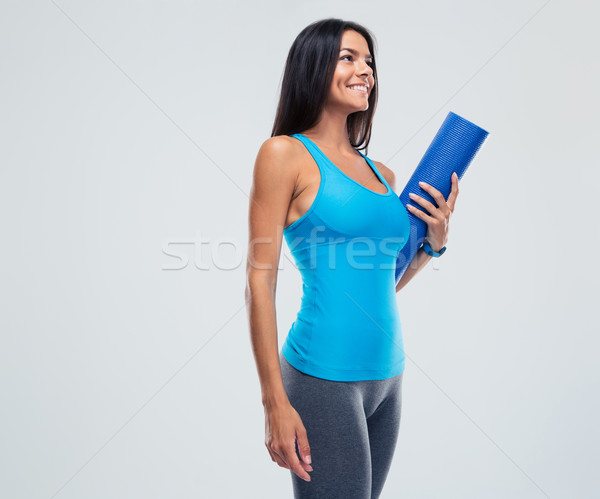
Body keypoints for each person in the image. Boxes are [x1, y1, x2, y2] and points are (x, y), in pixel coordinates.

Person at [245, 18, 459, 498]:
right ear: (314, 67)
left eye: (369, 61)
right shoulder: (284, 155)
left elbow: (383, 279)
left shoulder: (382, 174)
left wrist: (434, 242)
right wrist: (273, 401)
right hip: (322, 377)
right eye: (349, 57)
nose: (365, 70)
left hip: (388, 377)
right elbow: (259, 282)